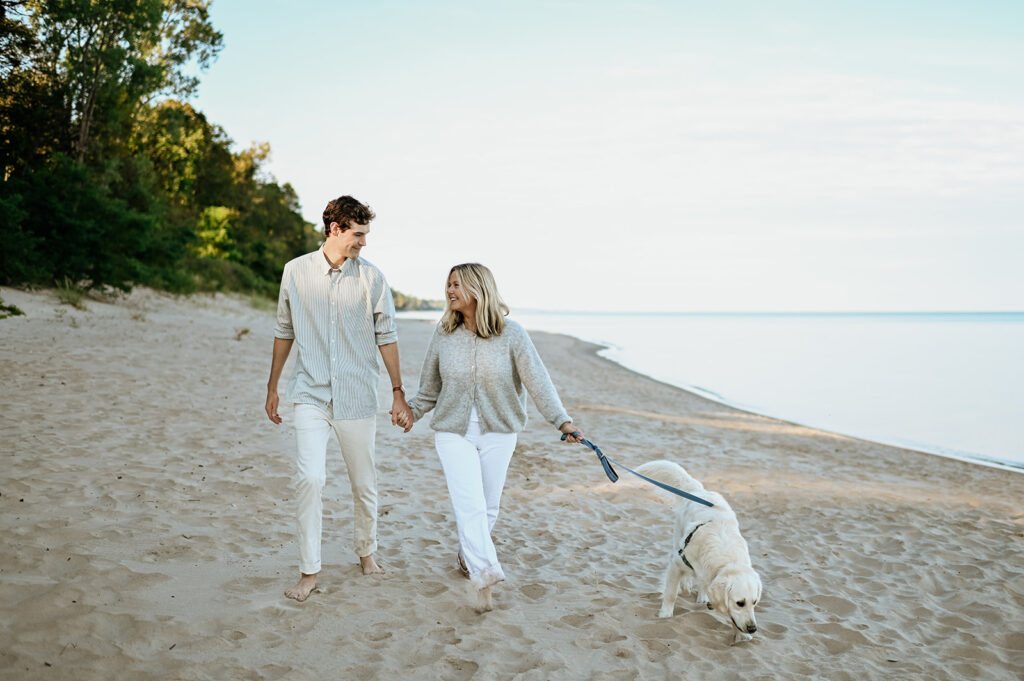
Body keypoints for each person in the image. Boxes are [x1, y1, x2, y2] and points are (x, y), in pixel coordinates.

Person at [398, 263, 583, 611]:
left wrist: (563, 422)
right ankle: (484, 575)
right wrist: (411, 413)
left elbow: (537, 381)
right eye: (448, 285)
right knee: (469, 504)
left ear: (478, 289)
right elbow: (429, 389)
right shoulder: (443, 334)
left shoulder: (512, 334)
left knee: (488, 507)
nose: (450, 291)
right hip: (453, 432)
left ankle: (469, 555)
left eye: (457, 285)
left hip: (499, 431)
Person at [266, 195, 413, 602]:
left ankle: (367, 553)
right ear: (336, 229)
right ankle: (309, 572)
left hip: (356, 397)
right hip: (309, 393)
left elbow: (387, 337)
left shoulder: (372, 279)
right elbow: (284, 330)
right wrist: (272, 386)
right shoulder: (295, 272)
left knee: (364, 483)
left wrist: (398, 392)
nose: (364, 243)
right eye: (359, 234)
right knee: (309, 479)